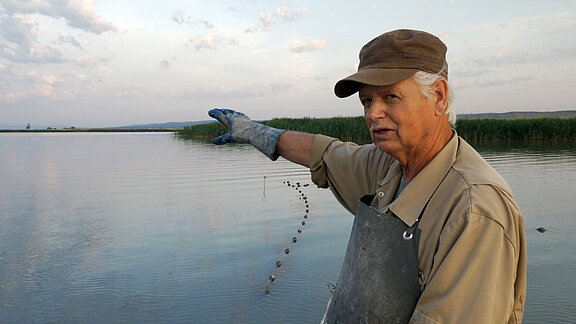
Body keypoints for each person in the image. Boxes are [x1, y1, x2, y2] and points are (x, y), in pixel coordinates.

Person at [208, 29, 526, 323]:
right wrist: (257, 133)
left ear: (439, 97)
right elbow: (325, 155)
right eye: (367, 101)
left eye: (390, 97)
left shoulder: (474, 210)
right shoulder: (388, 166)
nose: (373, 113)